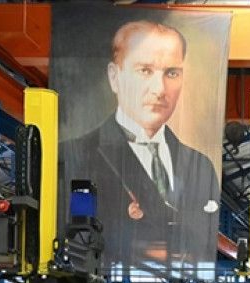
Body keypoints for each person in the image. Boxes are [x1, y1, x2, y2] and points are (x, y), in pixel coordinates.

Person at [60, 20, 219, 268]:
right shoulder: (75, 155)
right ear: (114, 77)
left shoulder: (202, 167)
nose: (159, 89)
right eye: (145, 70)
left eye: (172, 73)